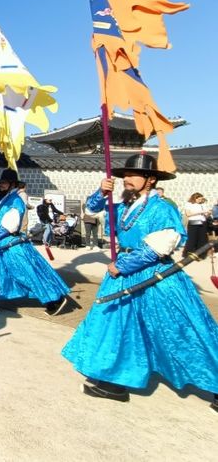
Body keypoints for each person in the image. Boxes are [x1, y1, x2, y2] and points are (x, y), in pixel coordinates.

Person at [62, 153, 218, 412]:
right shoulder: (124, 206)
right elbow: (91, 210)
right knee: (117, 326)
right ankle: (115, 382)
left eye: (133, 175)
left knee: (181, 331)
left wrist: (121, 265)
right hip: (122, 277)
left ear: (150, 179)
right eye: (125, 175)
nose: (127, 179)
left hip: (155, 278)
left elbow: (161, 247)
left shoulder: (162, 208)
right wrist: (100, 192)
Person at [0, 168, 70, 315]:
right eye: (1, 183)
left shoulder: (16, 200)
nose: (1, 185)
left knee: (26, 272)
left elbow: (12, 224)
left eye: (4, 183)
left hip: (10, 243)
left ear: (13, 184)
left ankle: (54, 300)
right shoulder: (0, 199)